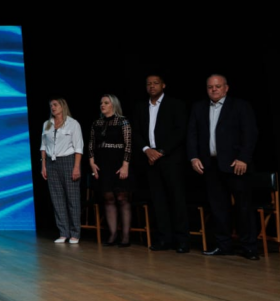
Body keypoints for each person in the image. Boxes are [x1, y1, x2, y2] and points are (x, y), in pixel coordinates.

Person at [187, 74, 260, 260]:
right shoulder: (199, 107)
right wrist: (194, 157)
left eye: (218, 86)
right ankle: (223, 245)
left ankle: (249, 247)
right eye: (210, 87)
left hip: (236, 165)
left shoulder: (240, 106)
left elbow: (250, 133)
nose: (214, 89)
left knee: (243, 207)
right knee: (218, 208)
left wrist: (244, 158)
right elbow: (192, 134)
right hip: (210, 165)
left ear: (226, 88)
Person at [132, 75, 190, 253]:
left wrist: (162, 151)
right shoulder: (140, 107)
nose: (152, 86)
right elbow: (135, 131)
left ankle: (182, 241)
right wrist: (146, 150)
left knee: (177, 200)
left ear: (163, 85)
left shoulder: (176, 104)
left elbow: (180, 131)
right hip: (149, 158)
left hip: (170, 158)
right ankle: (164, 239)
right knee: (158, 201)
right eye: (148, 84)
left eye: (155, 83)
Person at [88, 95, 133, 247]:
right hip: (103, 164)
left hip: (119, 163)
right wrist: (92, 163)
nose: (103, 105)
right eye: (101, 103)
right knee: (108, 198)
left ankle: (125, 236)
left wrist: (125, 165)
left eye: (106, 103)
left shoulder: (122, 121)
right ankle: (113, 234)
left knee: (122, 198)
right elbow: (91, 144)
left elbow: (128, 144)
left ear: (113, 104)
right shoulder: (97, 123)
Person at [39, 98, 83, 244]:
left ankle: (75, 233)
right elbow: (43, 146)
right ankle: (63, 232)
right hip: (52, 162)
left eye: (55, 105)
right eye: (51, 105)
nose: (53, 107)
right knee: (57, 199)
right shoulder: (47, 124)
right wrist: (43, 165)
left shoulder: (73, 123)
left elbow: (78, 147)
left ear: (63, 106)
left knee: (72, 198)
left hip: (68, 161)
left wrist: (76, 167)